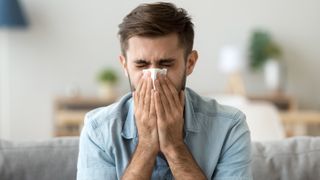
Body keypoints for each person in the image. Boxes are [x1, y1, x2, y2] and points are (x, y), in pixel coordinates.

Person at [77, 2, 252, 180]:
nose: (154, 79)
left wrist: (174, 146)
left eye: (166, 64)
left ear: (190, 63)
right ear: (125, 65)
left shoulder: (230, 127)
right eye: (141, 65)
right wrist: (146, 146)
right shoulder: (98, 130)